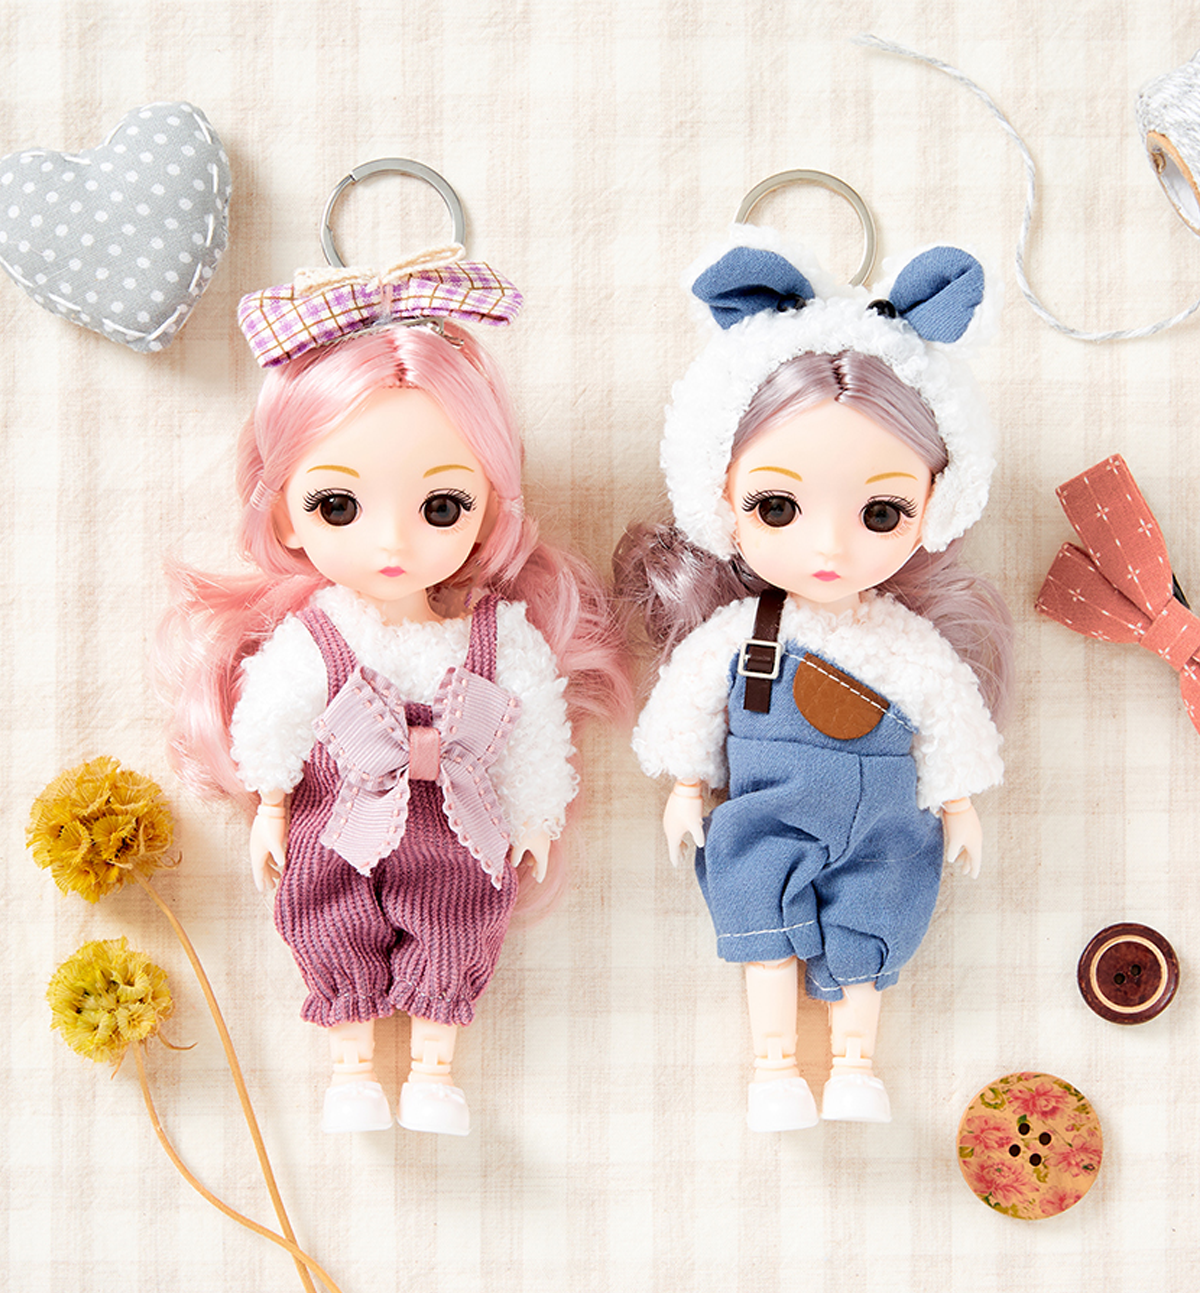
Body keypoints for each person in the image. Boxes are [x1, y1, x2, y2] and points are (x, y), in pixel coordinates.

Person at [159, 257, 627, 1136]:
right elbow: (275, 716)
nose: (393, 544)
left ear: (491, 509)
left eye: (440, 506)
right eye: (338, 505)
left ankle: (435, 1071)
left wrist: (536, 812)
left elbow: (535, 727)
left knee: (458, 922)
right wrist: (272, 803)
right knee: (328, 917)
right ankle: (352, 1070)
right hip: (336, 826)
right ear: (286, 513)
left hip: (462, 832)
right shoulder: (315, 639)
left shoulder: (497, 637)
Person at [616, 231, 1012, 1131]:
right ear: (721, 500)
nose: (829, 546)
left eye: (881, 512)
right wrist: (686, 785)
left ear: (937, 506)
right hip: (767, 813)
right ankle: (773, 1067)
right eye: (778, 507)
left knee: (874, 924)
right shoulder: (743, 633)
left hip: (883, 821)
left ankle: (856, 1064)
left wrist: (956, 800)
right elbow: (691, 701)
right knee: (761, 926)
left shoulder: (903, 642)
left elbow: (948, 709)